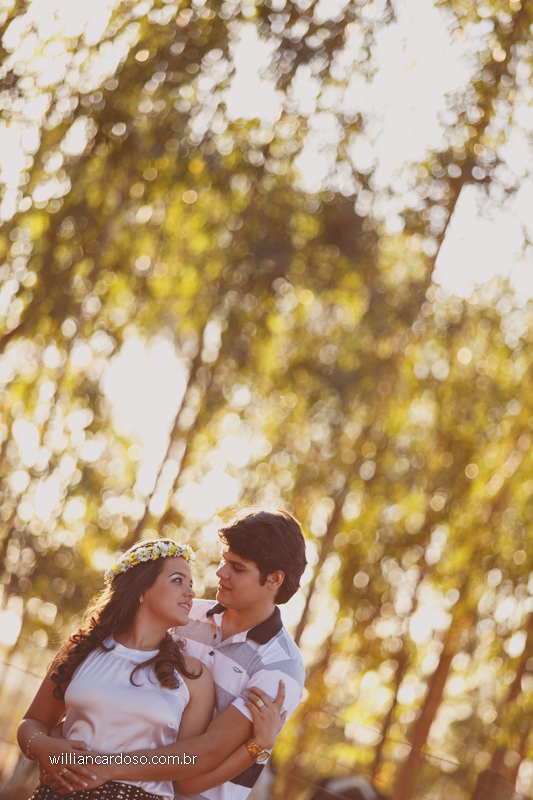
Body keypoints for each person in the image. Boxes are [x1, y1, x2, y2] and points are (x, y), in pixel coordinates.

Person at [36, 508, 307, 800]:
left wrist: (258, 748)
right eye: (224, 560)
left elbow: (205, 755)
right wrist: (51, 744)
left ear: (274, 580)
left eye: (237, 568)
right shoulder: (180, 615)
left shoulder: (281, 668)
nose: (220, 573)